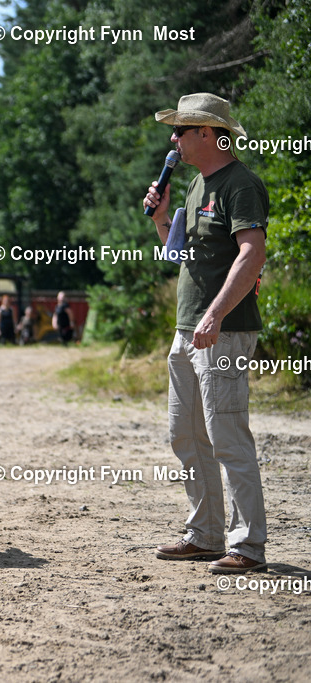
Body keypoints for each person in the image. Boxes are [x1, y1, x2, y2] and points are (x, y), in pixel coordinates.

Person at [143, 93, 269, 575]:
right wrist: (160, 217)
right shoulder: (196, 186)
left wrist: (214, 316)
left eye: (180, 130)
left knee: (227, 437)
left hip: (223, 330)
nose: (172, 139)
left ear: (206, 133)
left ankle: (248, 546)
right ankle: (205, 534)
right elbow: (178, 254)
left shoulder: (241, 184)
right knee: (187, 436)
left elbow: (251, 253)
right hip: (186, 329)